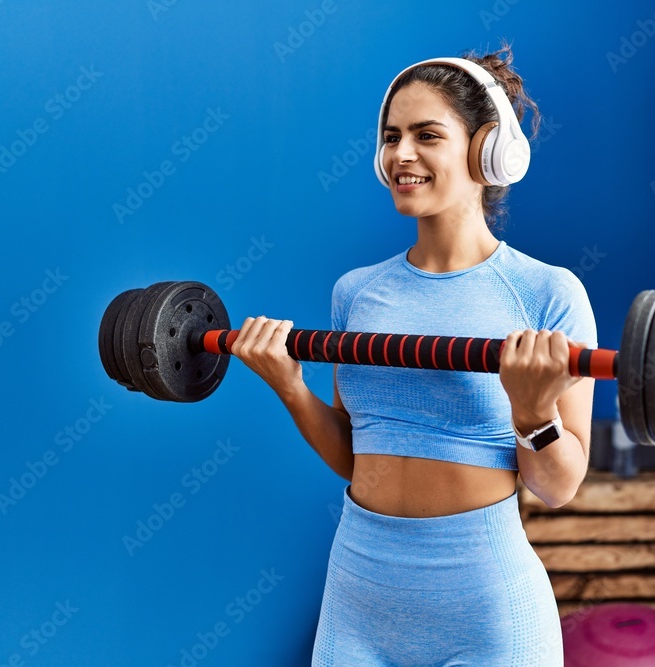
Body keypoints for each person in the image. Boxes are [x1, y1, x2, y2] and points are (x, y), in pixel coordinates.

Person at [230, 42, 597, 666]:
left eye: (427, 134)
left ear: (488, 150)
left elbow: (558, 486)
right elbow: (356, 454)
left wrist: (534, 414)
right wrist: (291, 386)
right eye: (392, 136)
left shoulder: (546, 293)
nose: (401, 154)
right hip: (359, 591)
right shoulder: (358, 293)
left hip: (483, 603)